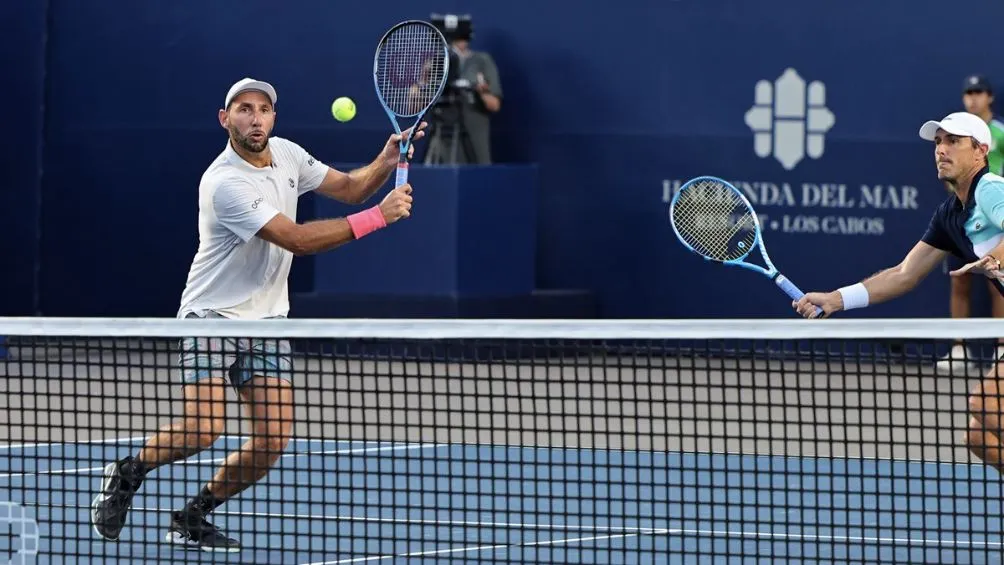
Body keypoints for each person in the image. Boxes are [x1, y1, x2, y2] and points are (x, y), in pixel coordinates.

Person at [90, 77, 424, 552]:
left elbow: (350, 188)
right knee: (205, 428)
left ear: (273, 117)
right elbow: (297, 239)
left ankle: (193, 515)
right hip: (212, 315)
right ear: (226, 119)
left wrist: (384, 161)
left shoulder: (287, 154)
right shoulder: (225, 182)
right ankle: (128, 471)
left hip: (267, 320)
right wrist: (379, 217)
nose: (255, 117)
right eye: (243, 109)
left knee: (272, 441)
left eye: (263, 109)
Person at [792, 111, 1004, 475]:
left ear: (980, 152)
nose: (941, 149)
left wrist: (994, 257)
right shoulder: (949, 215)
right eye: (938, 142)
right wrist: (836, 299)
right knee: (977, 437)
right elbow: (904, 274)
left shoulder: (991, 188)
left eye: (953, 141)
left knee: (984, 405)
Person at [937, 75, 1004, 374]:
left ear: (989, 97)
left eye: (978, 93)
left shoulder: (999, 134)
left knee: (996, 282)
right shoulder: (948, 213)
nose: (972, 98)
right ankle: (958, 348)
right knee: (959, 281)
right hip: (965, 221)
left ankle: (1001, 349)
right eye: (968, 93)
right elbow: (905, 274)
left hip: (994, 217)